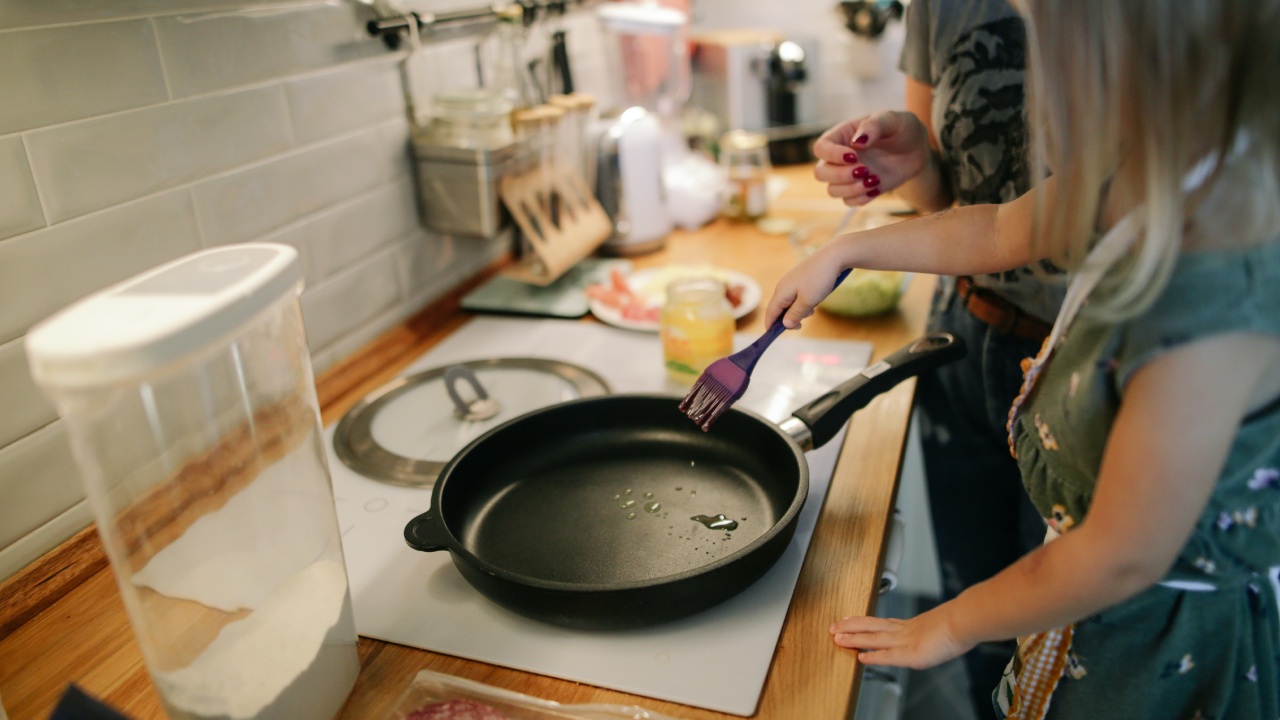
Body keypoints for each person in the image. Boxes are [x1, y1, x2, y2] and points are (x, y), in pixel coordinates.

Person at [768, 0, 1280, 716]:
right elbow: (1003, 227)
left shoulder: (1211, 295)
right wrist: (847, 249)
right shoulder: (1151, 162)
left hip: (1156, 652)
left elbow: (1119, 555)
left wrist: (950, 622)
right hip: (1091, 616)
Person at [812, 2, 1055, 716]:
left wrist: (846, 250)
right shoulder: (940, 7)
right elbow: (957, 204)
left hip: (1086, 360)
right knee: (974, 605)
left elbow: (1113, 559)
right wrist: (911, 162)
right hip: (965, 337)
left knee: (1059, 626)